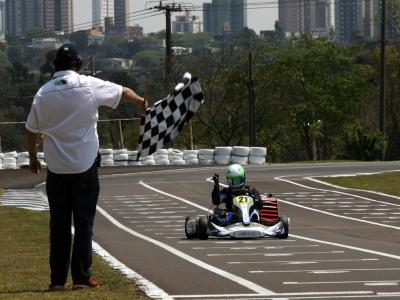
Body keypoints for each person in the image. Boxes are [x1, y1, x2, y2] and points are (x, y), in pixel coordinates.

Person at [25, 44, 149, 291]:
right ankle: (81, 277)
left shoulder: (43, 93)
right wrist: (139, 102)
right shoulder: (89, 85)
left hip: (57, 169)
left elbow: (30, 130)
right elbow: (123, 92)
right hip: (84, 165)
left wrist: (33, 158)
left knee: (58, 225)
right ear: (77, 65)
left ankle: (57, 281)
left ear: (55, 66)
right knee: (84, 223)